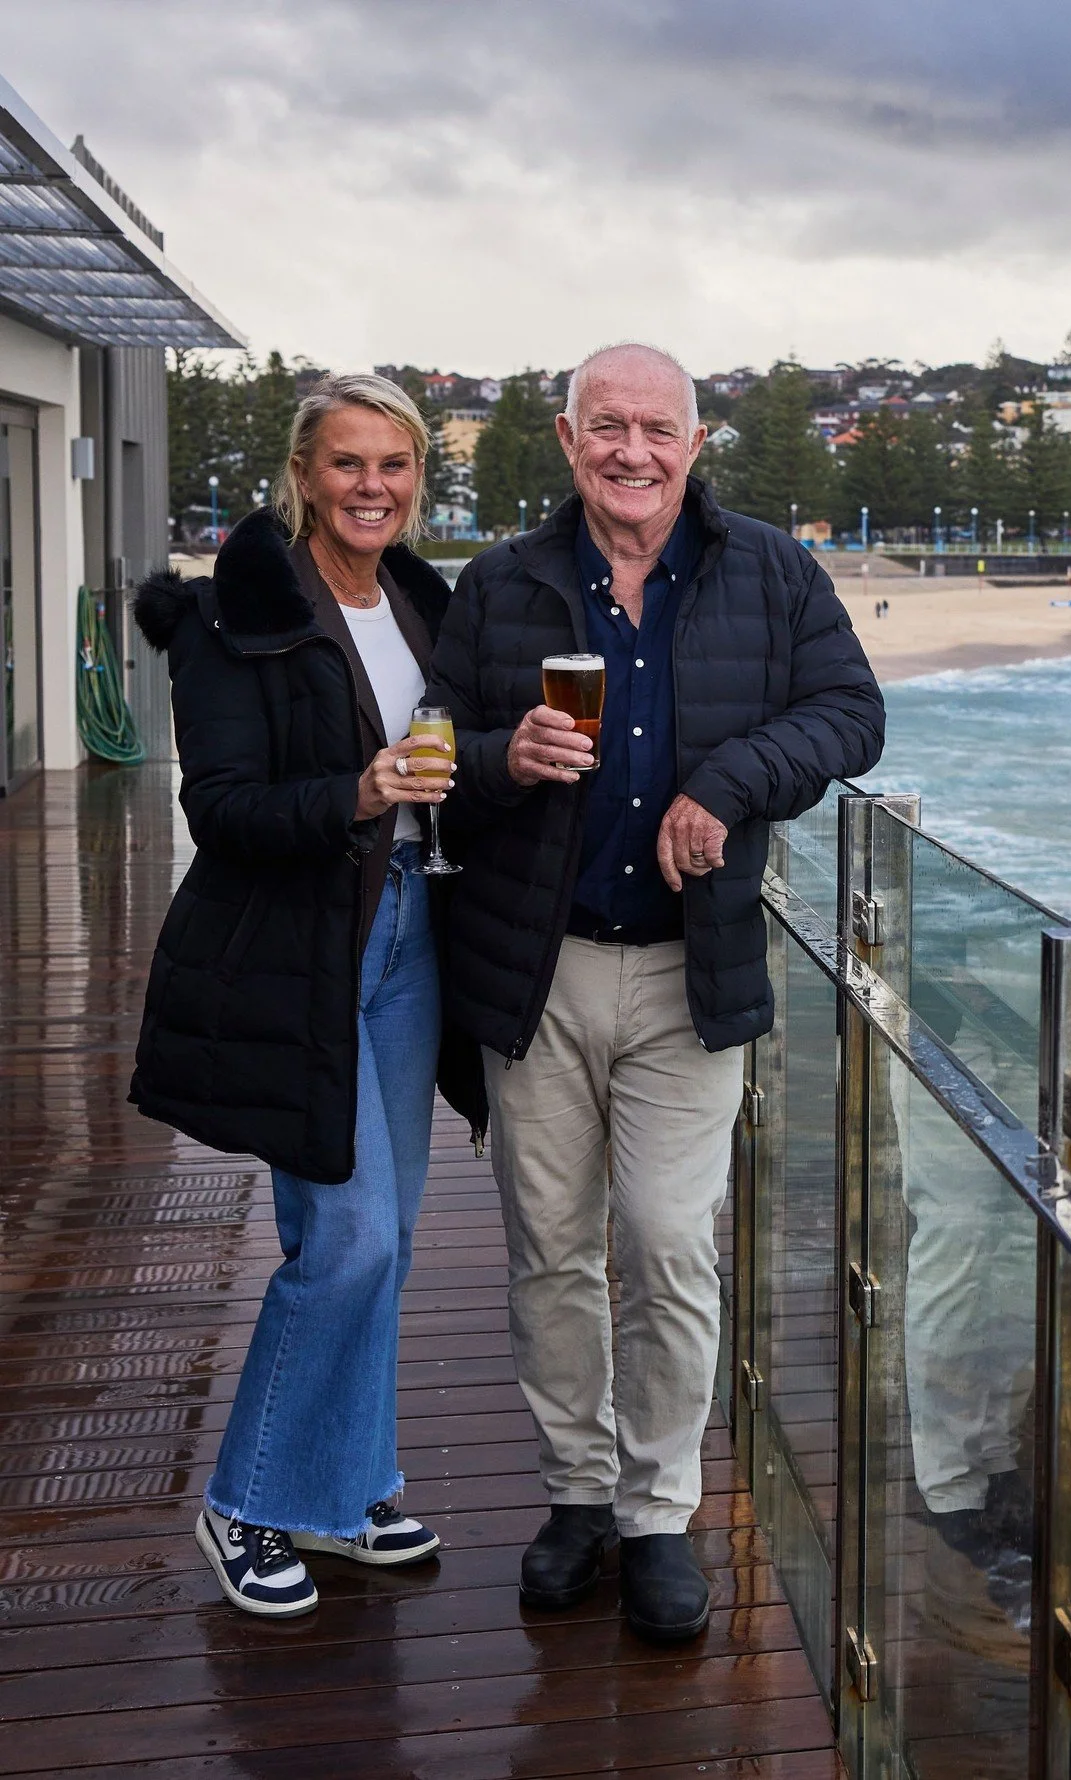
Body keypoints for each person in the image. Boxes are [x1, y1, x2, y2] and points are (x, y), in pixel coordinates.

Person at [428, 342, 885, 1641]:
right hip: (539, 968)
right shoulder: (503, 583)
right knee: (552, 1254)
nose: (634, 450)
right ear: (568, 440)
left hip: (697, 974)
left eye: (659, 429)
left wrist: (731, 784)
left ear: (698, 444)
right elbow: (425, 748)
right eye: (608, 426)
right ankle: (576, 1494)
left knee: (672, 1249)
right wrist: (495, 754)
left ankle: (659, 1510)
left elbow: (852, 717)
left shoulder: (771, 573)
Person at [131, 374, 466, 1617]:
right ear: (302, 474)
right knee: (347, 1236)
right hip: (298, 951)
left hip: (415, 938)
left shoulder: (427, 603)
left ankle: (347, 1480)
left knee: (391, 1239)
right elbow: (216, 808)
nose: (372, 485)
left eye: (393, 464)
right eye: (347, 464)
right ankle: (247, 1498)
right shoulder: (235, 618)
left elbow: (459, 758)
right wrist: (360, 792)